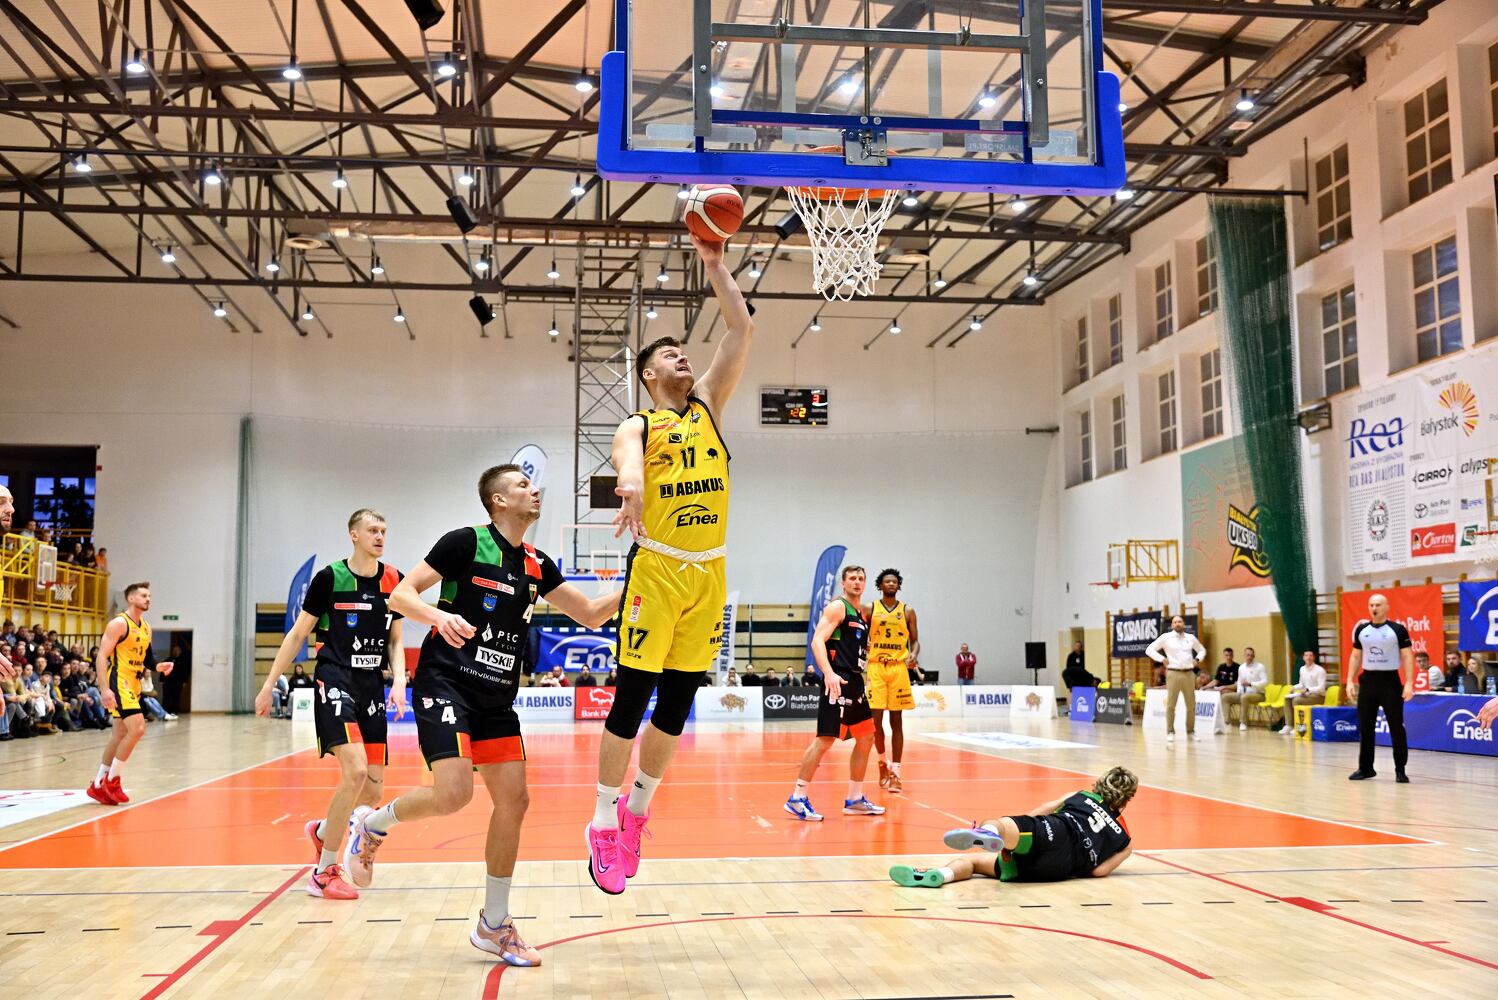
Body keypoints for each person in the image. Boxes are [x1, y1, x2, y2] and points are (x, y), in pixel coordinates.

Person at [348, 464, 619, 966]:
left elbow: (590, 614)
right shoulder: (466, 543)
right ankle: (372, 825)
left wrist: (644, 582)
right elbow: (400, 595)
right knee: (454, 794)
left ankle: (494, 925)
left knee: (514, 801)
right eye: (522, 485)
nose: (534, 491)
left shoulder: (537, 563)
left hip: (497, 699)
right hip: (446, 683)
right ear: (498, 500)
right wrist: (439, 615)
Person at [588, 233, 754, 896]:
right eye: (668, 354)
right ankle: (602, 821)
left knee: (678, 704)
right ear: (649, 376)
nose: (682, 356)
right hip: (656, 568)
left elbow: (739, 330)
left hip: (708, 572)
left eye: (684, 351)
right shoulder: (640, 424)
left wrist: (715, 265)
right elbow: (625, 458)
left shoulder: (709, 406)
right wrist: (630, 484)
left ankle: (637, 811)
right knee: (632, 698)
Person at [255, 509, 406, 900]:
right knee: (355, 771)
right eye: (372, 530)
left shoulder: (394, 580)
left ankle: (323, 832)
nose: (380, 536)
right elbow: (297, 634)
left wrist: (399, 681)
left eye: (383, 530)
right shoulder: (329, 578)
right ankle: (323, 873)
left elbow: (395, 639)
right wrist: (269, 684)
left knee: (372, 790)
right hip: (335, 678)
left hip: (372, 685)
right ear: (353, 535)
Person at [889, 766, 1137, 889]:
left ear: (1100, 784)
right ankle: (942, 874)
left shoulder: (1082, 795)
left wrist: (1019, 829)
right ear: (1127, 799)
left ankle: (985, 836)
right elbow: (1099, 872)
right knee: (982, 862)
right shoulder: (1125, 841)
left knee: (995, 834)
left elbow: (1044, 809)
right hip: (1057, 870)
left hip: (1054, 832)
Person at [785, 566, 884, 822]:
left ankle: (855, 799)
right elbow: (817, 641)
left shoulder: (860, 614)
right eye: (852, 578)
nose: (857, 582)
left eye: (861, 578)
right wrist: (828, 673)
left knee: (866, 737)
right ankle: (797, 797)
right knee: (825, 739)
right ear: (843, 583)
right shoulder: (838, 607)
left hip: (855, 682)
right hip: (837, 680)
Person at [86, 582, 174, 804]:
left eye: (149, 596)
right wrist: (104, 689)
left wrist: (159, 666)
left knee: (119, 735)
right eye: (144, 595)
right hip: (119, 680)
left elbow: (148, 658)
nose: (148, 599)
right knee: (138, 729)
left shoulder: (146, 627)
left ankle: (98, 784)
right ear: (131, 598)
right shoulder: (119, 623)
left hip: (134, 683)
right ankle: (112, 781)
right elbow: (101, 656)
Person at [1347, 593, 1414, 783]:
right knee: (1366, 727)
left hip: (1390, 682)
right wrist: (1350, 681)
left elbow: (1407, 656)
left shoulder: (1397, 630)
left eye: (1378, 604)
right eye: (1371, 605)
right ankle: (1366, 768)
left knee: (1396, 727)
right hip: (1368, 681)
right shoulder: (1362, 630)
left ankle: (1400, 769)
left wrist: (1409, 683)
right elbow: (1355, 656)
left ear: (1386, 607)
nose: (1374, 608)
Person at [867, 569, 919, 794]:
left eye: (894, 582)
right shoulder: (869, 609)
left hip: (898, 668)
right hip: (876, 667)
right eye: (887, 581)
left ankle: (896, 772)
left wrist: (913, 654)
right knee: (875, 723)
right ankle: (882, 762)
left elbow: (915, 641)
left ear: (898, 586)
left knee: (896, 721)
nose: (891, 584)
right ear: (880, 585)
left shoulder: (907, 611)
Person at [1144, 615, 1205, 743]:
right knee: (1171, 704)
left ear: (1183, 624)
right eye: (1175, 622)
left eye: (1180, 621)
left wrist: (1197, 659)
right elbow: (1149, 650)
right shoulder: (1166, 637)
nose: (1177, 624)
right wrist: (1161, 659)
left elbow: (1202, 650)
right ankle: (1170, 731)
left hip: (1189, 673)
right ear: (1172, 625)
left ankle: (1191, 731)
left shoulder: (1190, 638)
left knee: (1191, 705)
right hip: (1173, 673)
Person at [1221, 646, 1268, 731]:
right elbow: (1239, 681)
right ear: (1244, 655)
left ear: (1254, 656)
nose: (1249, 657)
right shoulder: (1241, 667)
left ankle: (1243, 722)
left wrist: (1251, 684)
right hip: (1243, 693)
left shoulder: (1260, 667)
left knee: (1244, 698)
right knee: (1225, 697)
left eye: (1251, 655)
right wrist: (1239, 691)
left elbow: (1265, 682)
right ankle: (1226, 721)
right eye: (1247, 655)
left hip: (1258, 694)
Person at [1281, 650, 1327, 736]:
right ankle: (1289, 725)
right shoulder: (1302, 669)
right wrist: (1294, 687)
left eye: (1310, 655)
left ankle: (1299, 726)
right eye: (1306, 655)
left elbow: (1321, 688)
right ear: (1303, 658)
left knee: (1297, 700)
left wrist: (1308, 689)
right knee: (1287, 698)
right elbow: (1301, 684)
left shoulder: (1320, 670)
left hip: (1318, 696)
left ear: (1314, 658)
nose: (1308, 657)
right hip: (1306, 695)